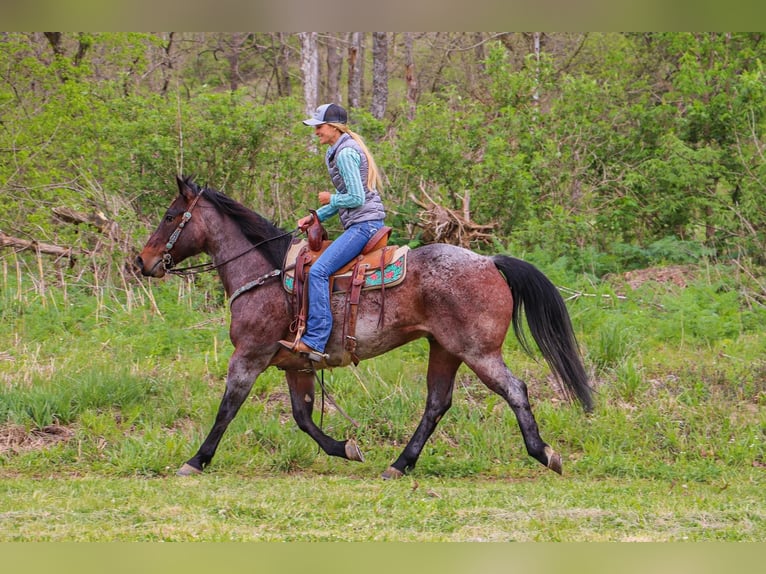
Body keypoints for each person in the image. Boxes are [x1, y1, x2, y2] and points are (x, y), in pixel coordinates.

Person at [279, 103, 386, 360]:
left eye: (319, 126)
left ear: (333, 127)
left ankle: (316, 340)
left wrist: (330, 198)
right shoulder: (341, 149)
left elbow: (356, 198)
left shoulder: (345, 153)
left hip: (364, 224)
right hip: (362, 222)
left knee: (318, 272)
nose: (316, 131)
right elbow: (345, 200)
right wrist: (316, 215)